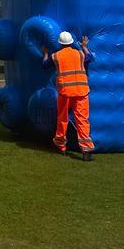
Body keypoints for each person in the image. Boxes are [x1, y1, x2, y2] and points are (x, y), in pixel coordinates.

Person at [43, 31, 95, 161]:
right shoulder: (80, 54)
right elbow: (90, 59)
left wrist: (44, 53)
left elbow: (44, 65)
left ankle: (61, 146)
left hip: (65, 92)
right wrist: (84, 46)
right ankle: (86, 151)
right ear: (71, 42)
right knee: (82, 120)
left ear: (60, 43)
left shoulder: (56, 56)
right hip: (82, 92)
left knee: (63, 119)